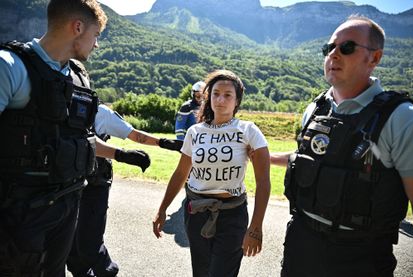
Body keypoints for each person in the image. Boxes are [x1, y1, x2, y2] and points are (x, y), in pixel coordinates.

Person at [0, 1, 149, 276]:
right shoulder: (10, 67)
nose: (96, 45)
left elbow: (78, 139)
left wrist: (119, 154)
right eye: (96, 36)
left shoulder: (78, 77)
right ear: (77, 27)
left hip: (67, 205)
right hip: (21, 212)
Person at [271, 15, 413, 277]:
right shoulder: (315, 109)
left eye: (346, 47)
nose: (333, 55)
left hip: (360, 258)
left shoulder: (401, 118)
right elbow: (311, 159)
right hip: (300, 249)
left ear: (375, 58)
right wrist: (265, 156)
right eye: (329, 48)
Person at [153, 69, 271, 277]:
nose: (221, 100)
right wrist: (162, 209)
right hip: (196, 212)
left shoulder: (248, 130)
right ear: (208, 98)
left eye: (228, 95)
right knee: (201, 271)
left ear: (237, 101)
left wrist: (255, 227)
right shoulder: (195, 132)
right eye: (216, 94)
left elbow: (263, 181)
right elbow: (181, 173)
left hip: (232, 215)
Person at [67, 102, 183, 277]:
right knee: (70, 249)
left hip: (95, 184)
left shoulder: (100, 112)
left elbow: (135, 135)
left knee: (89, 246)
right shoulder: (58, 104)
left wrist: (165, 143)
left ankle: (107, 272)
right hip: (66, 185)